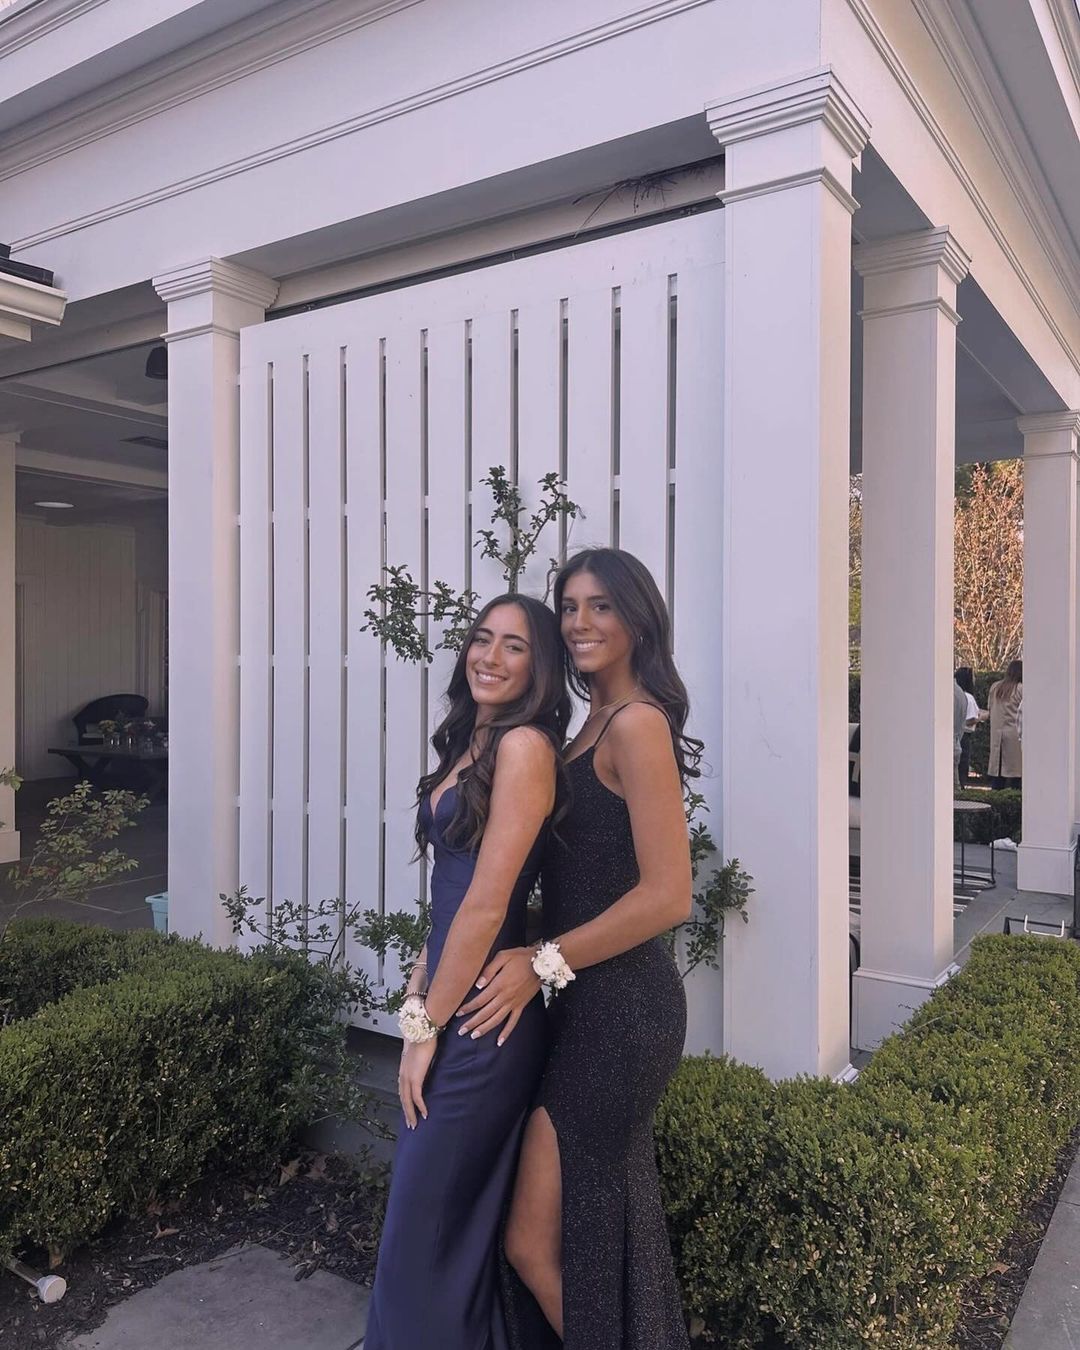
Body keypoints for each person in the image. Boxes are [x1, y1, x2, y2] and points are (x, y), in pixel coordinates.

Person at [458, 547, 696, 1350]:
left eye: (600, 606)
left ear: (637, 620)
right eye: (569, 606)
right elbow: (576, 879)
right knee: (589, 1239)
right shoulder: (581, 725)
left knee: (532, 1241)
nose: (579, 622)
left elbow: (668, 895)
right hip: (579, 1006)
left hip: (622, 1015)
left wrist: (542, 961)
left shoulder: (637, 725)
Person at [364, 594, 569, 1350]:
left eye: (515, 646)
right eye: (483, 639)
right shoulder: (471, 742)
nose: (490, 656)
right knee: (432, 1235)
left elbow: (486, 906)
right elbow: (446, 905)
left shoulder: (524, 747)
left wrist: (425, 1029)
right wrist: (416, 995)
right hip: (450, 1000)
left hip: (483, 1022)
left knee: (423, 1233)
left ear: (540, 667)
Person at [987, 659, 1023, 790]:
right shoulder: (1020, 689)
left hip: (997, 737)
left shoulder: (995, 687)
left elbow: (990, 708)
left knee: (997, 776)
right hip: (1015, 737)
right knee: (1016, 776)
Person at [955, 667, 987, 785]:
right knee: (962, 765)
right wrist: (981, 717)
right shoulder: (968, 697)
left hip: (958, 734)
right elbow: (971, 719)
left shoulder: (957, 695)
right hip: (965, 734)